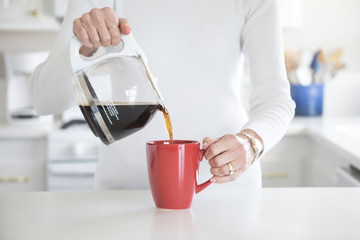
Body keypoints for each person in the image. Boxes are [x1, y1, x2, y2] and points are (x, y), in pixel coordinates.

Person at [30, 0, 295, 190]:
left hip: (222, 195)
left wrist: (250, 143)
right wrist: (82, 45)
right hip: (122, 200)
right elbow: (44, 99)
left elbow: (276, 99)